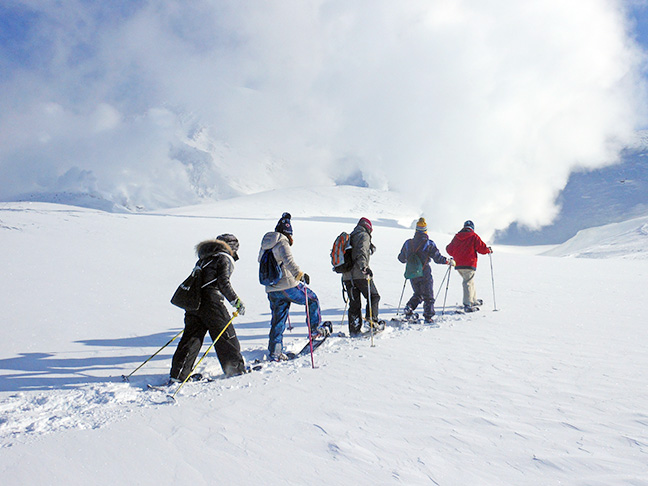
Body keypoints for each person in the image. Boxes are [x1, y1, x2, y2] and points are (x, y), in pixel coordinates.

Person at [170, 234, 247, 382]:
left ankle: (178, 374)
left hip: (194, 302)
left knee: (191, 338)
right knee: (226, 335)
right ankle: (235, 370)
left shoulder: (204, 258)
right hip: (212, 302)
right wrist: (236, 301)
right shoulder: (224, 258)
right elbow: (223, 283)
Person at [259, 212, 331, 361]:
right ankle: (315, 330)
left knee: (278, 319)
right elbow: (289, 261)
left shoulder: (265, 245)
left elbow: (260, 261)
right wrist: (300, 275)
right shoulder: (282, 242)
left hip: (272, 288)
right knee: (312, 299)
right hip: (288, 285)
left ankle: (275, 350)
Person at [397, 218, 454, 323]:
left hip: (412, 273)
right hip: (425, 272)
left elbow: (401, 258)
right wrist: (447, 261)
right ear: (425, 231)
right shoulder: (429, 244)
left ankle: (409, 308)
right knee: (428, 296)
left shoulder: (408, 243)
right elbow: (437, 258)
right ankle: (428, 316)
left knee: (418, 294)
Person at [342, 217, 382, 336]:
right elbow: (361, 252)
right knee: (374, 297)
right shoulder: (364, 235)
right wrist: (364, 267)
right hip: (360, 275)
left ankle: (354, 330)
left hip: (347, 277)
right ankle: (371, 322)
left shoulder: (350, 237)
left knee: (354, 304)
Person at [446, 220, 492, 312]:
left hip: (458, 264)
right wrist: (488, 250)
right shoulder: (474, 236)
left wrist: (456, 254)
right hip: (469, 263)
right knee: (468, 282)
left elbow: (449, 249)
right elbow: (481, 248)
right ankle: (467, 304)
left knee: (470, 281)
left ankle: (473, 300)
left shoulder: (457, 237)